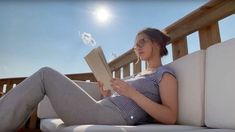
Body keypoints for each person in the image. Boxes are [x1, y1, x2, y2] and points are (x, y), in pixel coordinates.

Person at [0, 28, 178, 131]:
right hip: (102, 109)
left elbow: (170, 116)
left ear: (157, 43)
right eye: (135, 44)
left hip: (112, 116)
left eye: (142, 42)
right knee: (45, 76)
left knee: (45, 75)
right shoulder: (141, 74)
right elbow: (126, 104)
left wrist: (131, 93)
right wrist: (106, 94)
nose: (137, 47)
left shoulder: (164, 74)